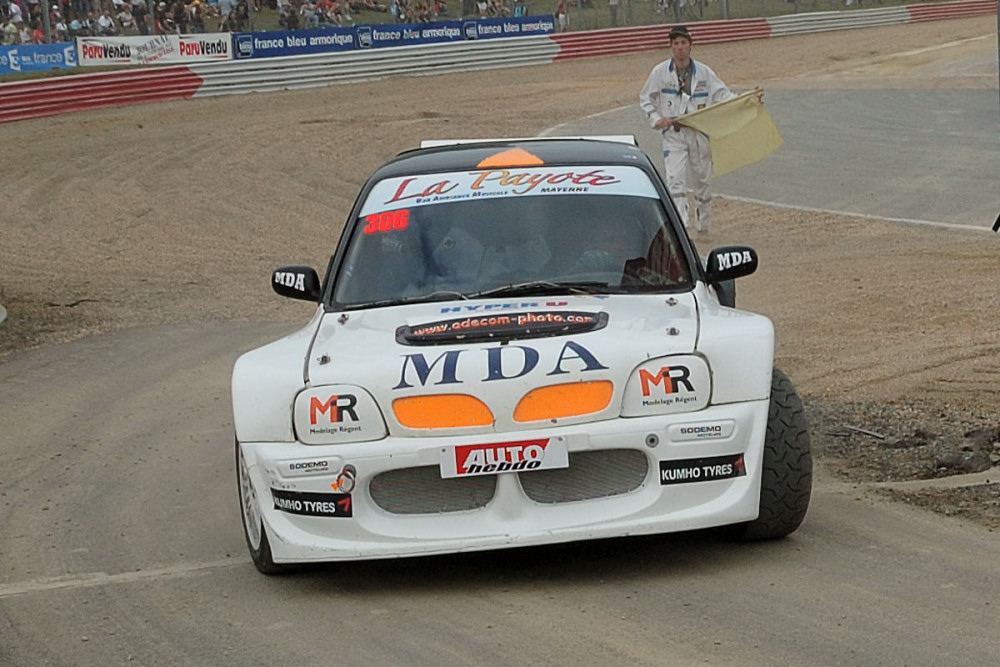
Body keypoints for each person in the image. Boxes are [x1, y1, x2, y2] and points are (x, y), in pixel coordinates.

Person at [639, 24, 737, 233]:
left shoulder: (704, 72)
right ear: (671, 46)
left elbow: (724, 96)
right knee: (675, 180)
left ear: (690, 45)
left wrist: (747, 102)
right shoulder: (660, 72)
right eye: (676, 43)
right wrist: (657, 119)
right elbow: (646, 99)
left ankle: (704, 226)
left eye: (683, 43)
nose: (680, 47)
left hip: (699, 134)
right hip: (674, 134)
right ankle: (681, 230)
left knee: (702, 181)